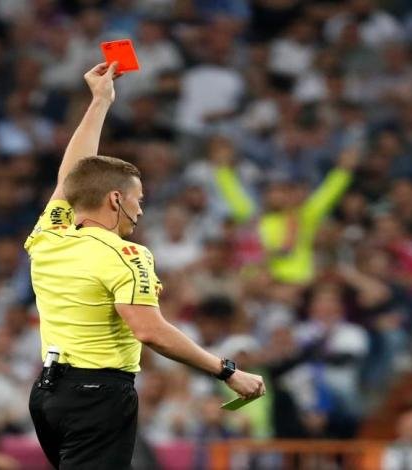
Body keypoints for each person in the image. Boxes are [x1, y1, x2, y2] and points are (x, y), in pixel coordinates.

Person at [25, 62, 265, 469]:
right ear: (116, 199)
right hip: (98, 394)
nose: (140, 209)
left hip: (48, 395)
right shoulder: (127, 254)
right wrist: (227, 371)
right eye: (138, 199)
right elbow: (150, 331)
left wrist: (100, 101)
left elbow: (71, 178)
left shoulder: (50, 234)